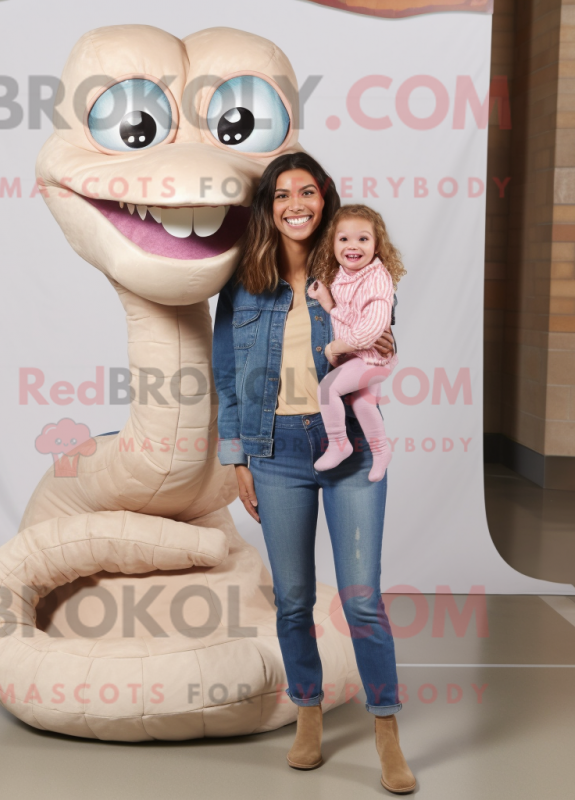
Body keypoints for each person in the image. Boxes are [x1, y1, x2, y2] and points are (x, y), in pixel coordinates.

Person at [212, 152, 416, 794]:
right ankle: (307, 712)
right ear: (268, 207)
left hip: (349, 448)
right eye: (281, 195)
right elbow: (227, 375)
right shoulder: (244, 284)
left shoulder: (358, 271)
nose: (295, 203)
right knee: (295, 601)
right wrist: (237, 456)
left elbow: (381, 344)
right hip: (276, 454)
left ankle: (386, 727)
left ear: (324, 201)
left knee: (361, 599)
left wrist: (379, 342)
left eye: (307, 192)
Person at [306, 204, 405, 480]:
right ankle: (381, 449)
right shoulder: (343, 275)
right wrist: (329, 303)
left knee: (327, 389)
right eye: (344, 238)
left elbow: (369, 330)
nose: (353, 245)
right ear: (333, 243)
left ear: (377, 246)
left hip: (372, 359)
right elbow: (353, 317)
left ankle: (339, 443)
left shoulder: (377, 278)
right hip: (363, 357)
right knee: (362, 404)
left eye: (363, 238)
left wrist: (336, 347)